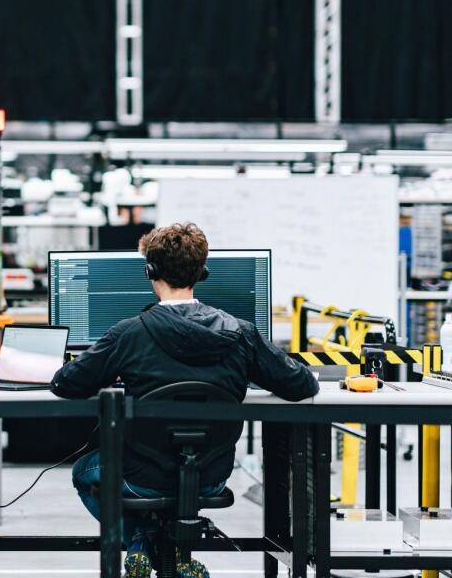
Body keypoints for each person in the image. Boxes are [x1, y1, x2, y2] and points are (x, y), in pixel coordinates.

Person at [51, 223, 318, 578]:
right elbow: (301, 385)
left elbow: (65, 383)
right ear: (202, 272)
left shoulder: (128, 333)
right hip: (211, 476)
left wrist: (111, 374)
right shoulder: (241, 333)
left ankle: (142, 540)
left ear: (150, 271)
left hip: (140, 475)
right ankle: (172, 551)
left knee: (84, 472)